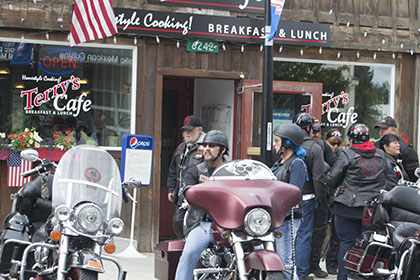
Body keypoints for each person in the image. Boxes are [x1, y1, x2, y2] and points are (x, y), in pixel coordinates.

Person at [328, 123, 387, 280]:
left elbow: (331, 178)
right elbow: (388, 180)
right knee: (369, 246)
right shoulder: (381, 155)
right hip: (373, 209)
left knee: (346, 243)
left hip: (347, 206)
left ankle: (344, 277)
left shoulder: (346, 154)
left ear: (351, 139)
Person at [174, 130, 229, 280]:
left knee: (254, 247)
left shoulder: (232, 171)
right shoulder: (196, 170)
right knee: (189, 252)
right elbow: (184, 191)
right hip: (203, 224)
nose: (206, 149)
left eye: (211, 145)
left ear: (223, 149)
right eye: (204, 145)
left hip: (230, 224)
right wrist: (189, 192)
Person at [293, 113, 327, 280]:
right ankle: (302, 273)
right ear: (309, 128)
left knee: (286, 234)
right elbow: (319, 178)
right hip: (307, 197)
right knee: (304, 235)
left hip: (287, 197)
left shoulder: (286, 145)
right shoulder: (315, 148)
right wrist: (321, 200)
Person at [271, 123, 307, 280]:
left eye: (277, 141)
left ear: (286, 144)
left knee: (285, 261)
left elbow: (294, 194)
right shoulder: (279, 164)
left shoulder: (296, 163)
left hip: (287, 219)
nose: (274, 144)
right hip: (275, 218)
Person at [167, 115, 205, 239]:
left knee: (195, 225)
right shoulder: (181, 147)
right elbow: (173, 169)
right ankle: (184, 244)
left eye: (190, 130)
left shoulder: (206, 147)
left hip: (199, 195)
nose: (187, 133)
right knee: (177, 222)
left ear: (199, 130)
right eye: (185, 130)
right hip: (181, 194)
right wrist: (172, 189)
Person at [308, 120, 334, 278]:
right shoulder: (299, 146)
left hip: (321, 196)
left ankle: (314, 264)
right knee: (300, 234)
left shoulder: (323, 146)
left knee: (319, 233)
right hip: (303, 196)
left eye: (319, 131)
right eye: (314, 131)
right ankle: (300, 265)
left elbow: (334, 166)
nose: (317, 134)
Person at [322, 128, 344, 275]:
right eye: (332, 144)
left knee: (336, 234)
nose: (335, 147)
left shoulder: (342, 156)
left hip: (337, 197)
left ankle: (332, 263)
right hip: (324, 195)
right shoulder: (321, 154)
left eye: (338, 144)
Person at [374, 116, 419, 182]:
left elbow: (413, 176)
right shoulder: (375, 147)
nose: (381, 131)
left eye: (384, 129)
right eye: (380, 129)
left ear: (394, 130)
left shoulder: (406, 150)